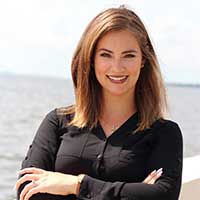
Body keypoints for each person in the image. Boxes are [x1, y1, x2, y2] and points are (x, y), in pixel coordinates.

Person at [15, 5, 183, 200]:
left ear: (143, 60)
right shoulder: (57, 122)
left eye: (129, 55)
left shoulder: (164, 134)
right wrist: (130, 192)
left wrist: (75, 185)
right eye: (106, 55)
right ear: (91, 59)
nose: (117, 67)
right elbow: (27, 191)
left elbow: (162, 196)